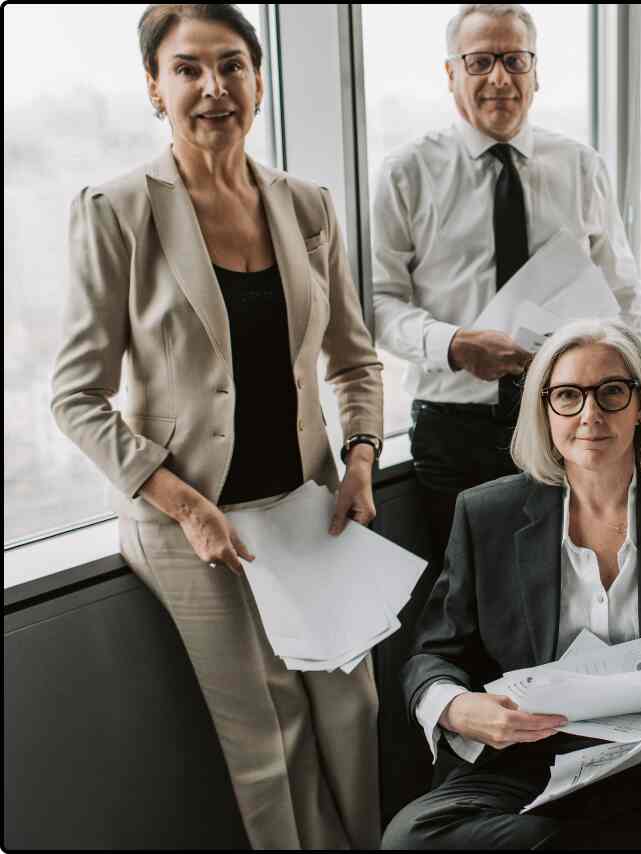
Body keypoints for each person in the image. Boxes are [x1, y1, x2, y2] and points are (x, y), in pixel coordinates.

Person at [49, 5, 385, 848]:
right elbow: (75, 396)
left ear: (260, 81)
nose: (213, 87)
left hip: (307, 507)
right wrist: (186, 505)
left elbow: (354, 360)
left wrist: (360, 461)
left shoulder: (307, 205)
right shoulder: (117, 210)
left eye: (232, 65)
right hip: (187, 523)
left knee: (355, 708)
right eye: (188, 69)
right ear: (156, 91)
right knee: (269, 739)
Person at [382, 319, 641, 849]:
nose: (590, 414)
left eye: (611, 393)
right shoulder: (487, 514)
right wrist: (456, 707)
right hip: (530, 762)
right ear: (544, 411)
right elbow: (432, 655)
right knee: (409, 840)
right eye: (568, 397)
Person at [370, 3, 641, 584]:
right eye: (480, 61)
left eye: (515, 60)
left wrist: (638, 401)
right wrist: (452, 344)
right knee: (470, 594)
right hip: (455, 425)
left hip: (568, 418)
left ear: (536, 73)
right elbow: (376, 302)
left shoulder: (579, 166)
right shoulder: (407, 173)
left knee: (569, 587)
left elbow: (622, 297)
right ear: (451, 74)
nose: (500, 77)